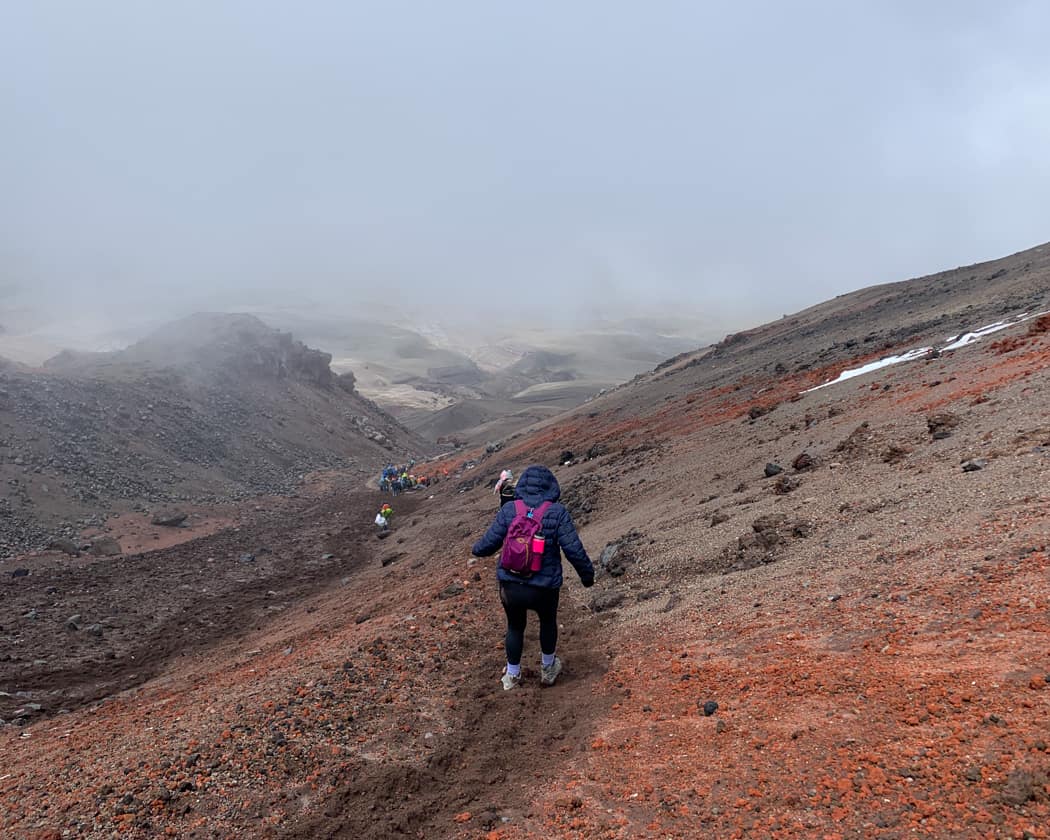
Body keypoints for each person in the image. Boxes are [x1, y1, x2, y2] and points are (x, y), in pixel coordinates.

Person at [472, 464, 594, 690]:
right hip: (544, 587)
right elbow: (573, 550)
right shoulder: (557, 512)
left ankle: (512, 675)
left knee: (515, 627)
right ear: (551, 487)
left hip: (511, 585)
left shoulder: (509, 509)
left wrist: (475, 549)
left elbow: (486, 546)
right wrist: (587, 576)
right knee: (547, 622)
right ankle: (548, 668)